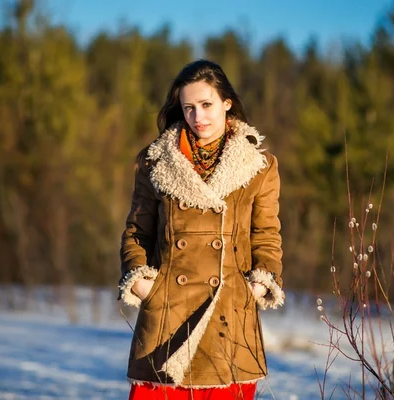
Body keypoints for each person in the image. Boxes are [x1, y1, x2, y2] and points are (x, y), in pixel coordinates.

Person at [118, 59, 284, 400]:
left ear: (227, 103)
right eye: (189, 108)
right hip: (167, 318)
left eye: (207, 105)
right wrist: (141, 283)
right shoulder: (156, 162)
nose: (198, 117)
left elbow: (267, 235)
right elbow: (137, 231)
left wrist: (256, 285)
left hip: (228, 317)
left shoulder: (259, 166)